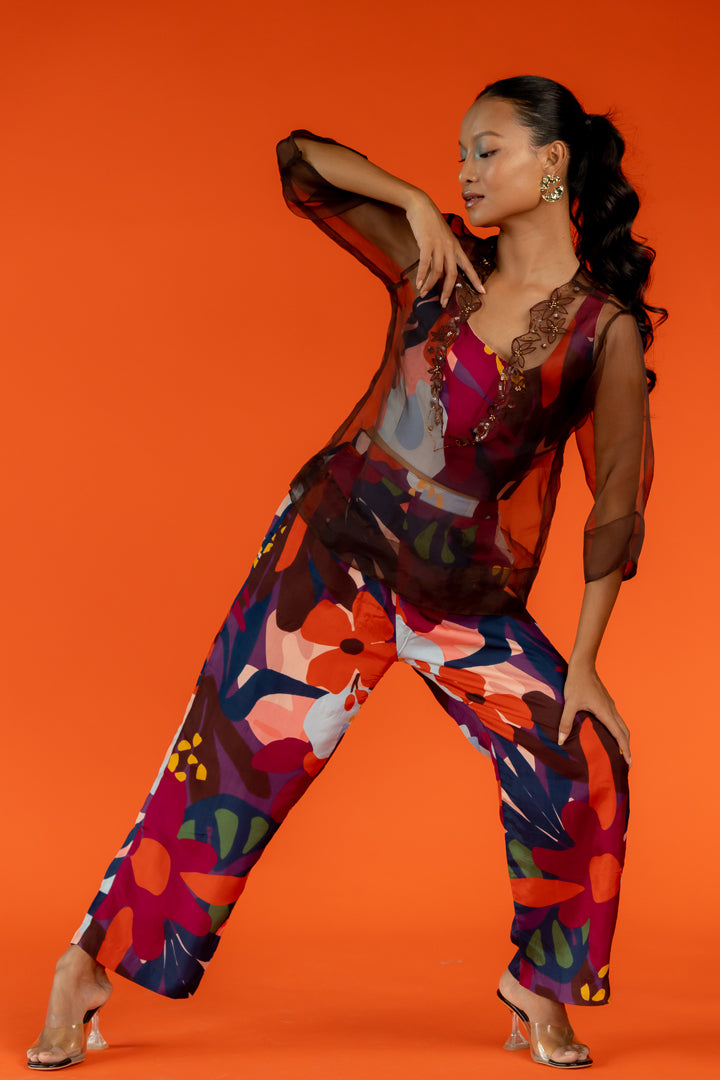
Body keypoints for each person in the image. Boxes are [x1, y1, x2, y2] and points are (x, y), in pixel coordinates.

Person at [27, 75, 664, 1071]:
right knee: (225, 765)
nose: (466, 171)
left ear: (552, 163)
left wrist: (584, 663)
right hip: (332, 562)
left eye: (487, 149)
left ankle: (538, 986)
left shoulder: (600, 330)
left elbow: (615, 503)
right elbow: (300, 162)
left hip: (466, 602)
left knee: (584, 759)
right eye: (460, 154)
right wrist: (413, 200)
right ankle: (87, 966)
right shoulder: (435, 259)